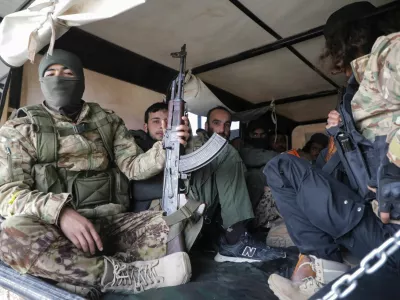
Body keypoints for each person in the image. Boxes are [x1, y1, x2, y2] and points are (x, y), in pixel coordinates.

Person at [0, 49, 193, 297]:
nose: (59, 78)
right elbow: (6, 193)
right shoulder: (20, 128)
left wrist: (167, 146)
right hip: (55, 229)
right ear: (41, 81)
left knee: (181, 220)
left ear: (80, 79)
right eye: (50, 73)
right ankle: (125, 275)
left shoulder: (107, 121)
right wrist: (60, 213)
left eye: (67, 72)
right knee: (12, 234)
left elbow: (133, 166)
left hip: (111, 225)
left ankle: (77, 276)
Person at [265, 3, 400, 300]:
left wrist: (393, 172)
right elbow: (348, 169)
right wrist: (342, 134)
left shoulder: (391, 51)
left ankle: (325, 264)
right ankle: (325, 265)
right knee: (282, 167)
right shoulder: (356, 88)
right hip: (374, 223)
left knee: (281, 167)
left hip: (392, 231)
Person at [130, 104, 286, 263]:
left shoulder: (182, 144)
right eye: (156, 121)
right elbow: (134, 187)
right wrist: (178, 186)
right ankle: (234, 238)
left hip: (193, 200)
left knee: (249, 172)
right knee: (224, 152)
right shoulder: (138, 146)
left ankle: (232, 234)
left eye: (167, 122)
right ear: (145, 126)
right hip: (162, 205)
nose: (163, 126)